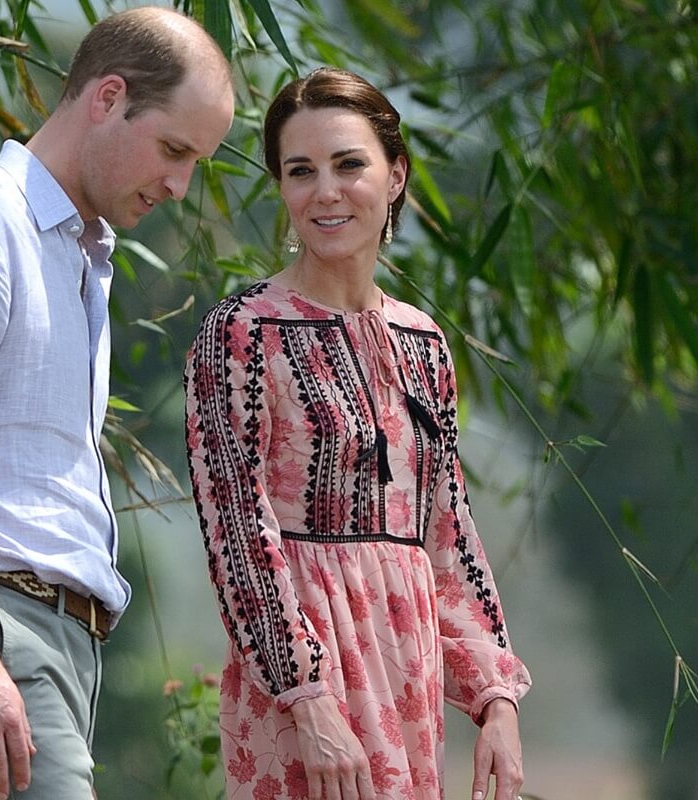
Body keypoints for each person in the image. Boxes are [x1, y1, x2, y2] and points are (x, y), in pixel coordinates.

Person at [0, 8, 233, 799]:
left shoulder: (77, 253)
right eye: (174, 149)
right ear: (105, 98)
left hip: (46, 640)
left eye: (195, 162)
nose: (179, 184)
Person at [183, 67, 531, 800]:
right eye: (300, 171)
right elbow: (237, 533)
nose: (325, 192)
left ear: (396, 174)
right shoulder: (241, 335)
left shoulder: (423, 342)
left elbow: (446, 530)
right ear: (280, 186)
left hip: (406, 672)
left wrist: (495, 699)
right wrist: (307, 697)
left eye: (349, 164)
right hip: (299, 689)